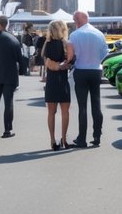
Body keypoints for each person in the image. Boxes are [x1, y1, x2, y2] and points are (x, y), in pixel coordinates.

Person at [69, 10, 109, 148]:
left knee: (82, 107)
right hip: (96, 70)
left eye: (76, 20)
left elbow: (70, 54)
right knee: (96, 104)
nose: (75, 22)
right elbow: (105, 53)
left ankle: (82, 139)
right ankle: (97, 136)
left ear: (80, 20)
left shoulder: (74, 34)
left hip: (81, 70)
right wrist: (95, 61)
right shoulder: (99, 34)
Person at [41, 19, 74, 149]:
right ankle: (64, 140)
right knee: (65, 111)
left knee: (51, 112)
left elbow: (44, 60)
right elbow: (72, 61)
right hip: (62, 79)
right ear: (62, 30)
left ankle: (53, 141)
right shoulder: (66, 44)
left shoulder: (47, 45)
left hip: (51, 81)